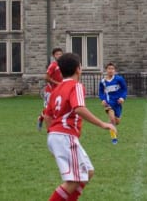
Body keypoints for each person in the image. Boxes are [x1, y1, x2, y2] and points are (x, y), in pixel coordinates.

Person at [45, 53, 116, 201]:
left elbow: (47, 116)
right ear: (78, 69)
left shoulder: (56, 90)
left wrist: (52, 140)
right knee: (73, 181)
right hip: (65, 136)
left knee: (87, 172)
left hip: (56, 136)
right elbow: (78, 108)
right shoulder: (76, 86)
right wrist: (103, 124)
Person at [99, 62, 127, 144]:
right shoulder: (103, 81)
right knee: (112, 119)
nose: (110, 70)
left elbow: (124, 89)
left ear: (114, 70)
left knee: (117, 121)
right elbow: (101, 92)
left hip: (117, 103)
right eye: (109, 69)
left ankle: (111, 124)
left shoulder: (119, 79)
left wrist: (122, 97)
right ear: (106, 70)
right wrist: (103, 99)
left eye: (112, 69)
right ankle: (114, 137)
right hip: (108, 103)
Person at [38, 47, 63, 130]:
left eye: (60, 54)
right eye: (57, 54)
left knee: (57, 108)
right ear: (54, 56)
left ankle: (44, 118)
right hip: (50, 91)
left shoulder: (63, 65)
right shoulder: (53, 65)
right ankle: (48, 127)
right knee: (49, 109)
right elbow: (46, 78)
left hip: (59, 91)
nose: (59, 56)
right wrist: (57, 83)